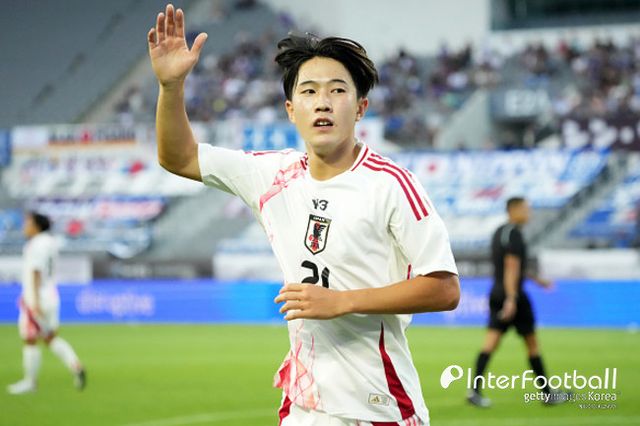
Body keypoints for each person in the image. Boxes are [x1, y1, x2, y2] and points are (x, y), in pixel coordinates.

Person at [148, 5, 460, 425]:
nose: (323, 103)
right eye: (309, 92)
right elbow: (179, 157)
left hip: (379, 405)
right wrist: (171, 87)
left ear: (361, 107)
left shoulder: (392, 185)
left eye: (337, 90)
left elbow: (444, 289)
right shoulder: (271, 175)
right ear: (291, 109)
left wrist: (342, 301)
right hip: (305, 404)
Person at [467, 197, 563, 407]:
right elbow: (511, 267)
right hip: (513, 296)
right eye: (526, 209)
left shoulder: (499, 232)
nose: (529, 213)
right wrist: (512, 298)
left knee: (490, 343)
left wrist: (537, 280)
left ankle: (474, 391)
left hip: (496, 292)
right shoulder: (514, 234)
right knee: (532, 344)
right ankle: (547, 393)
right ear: (513, 210)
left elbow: (511, 267)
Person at [7, 212, 86, 395]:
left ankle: (30, 382)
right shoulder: (51, 242)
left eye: (28, 223)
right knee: (50, 338)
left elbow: (36, 271)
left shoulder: (36, 244)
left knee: (30, 339)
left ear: (36, 226)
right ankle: (76, 365)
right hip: (51, 294)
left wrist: (33, 300)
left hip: (37, 297)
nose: (24, 226)